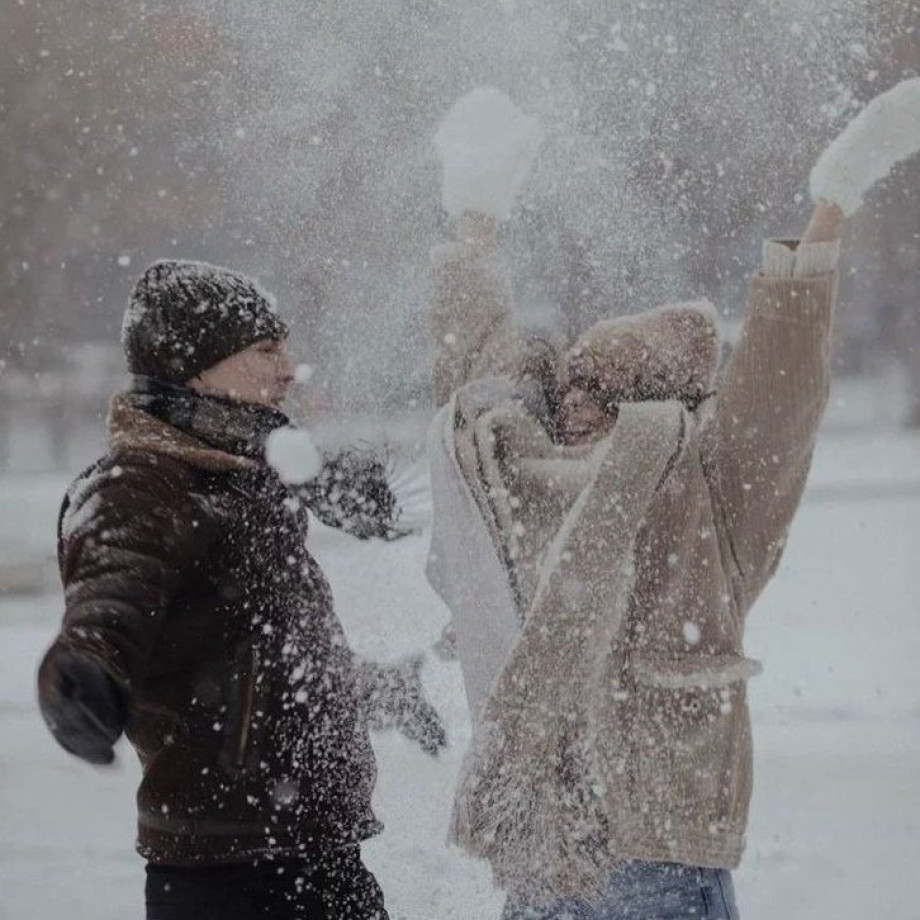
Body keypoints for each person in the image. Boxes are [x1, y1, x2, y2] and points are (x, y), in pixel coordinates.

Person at [425, 159, 845, 915]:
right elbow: (471, 365)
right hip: (552, 851)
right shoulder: (520, 464)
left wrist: (825, 226)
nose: (581, 406)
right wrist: (474, 230)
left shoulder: (707, 487)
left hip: (655, 845)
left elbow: (779, 394)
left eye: (608, 393)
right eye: (577, 385)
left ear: (659, 403)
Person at [37, 260, 446, 920]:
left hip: (316, 851)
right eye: (265, 349)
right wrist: (85, 667)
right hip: (229, 871)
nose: (288, 369)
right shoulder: (140, 485)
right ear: (192, 368)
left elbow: (254, 655)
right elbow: (110, 593)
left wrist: (368, 690)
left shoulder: (244, 483)